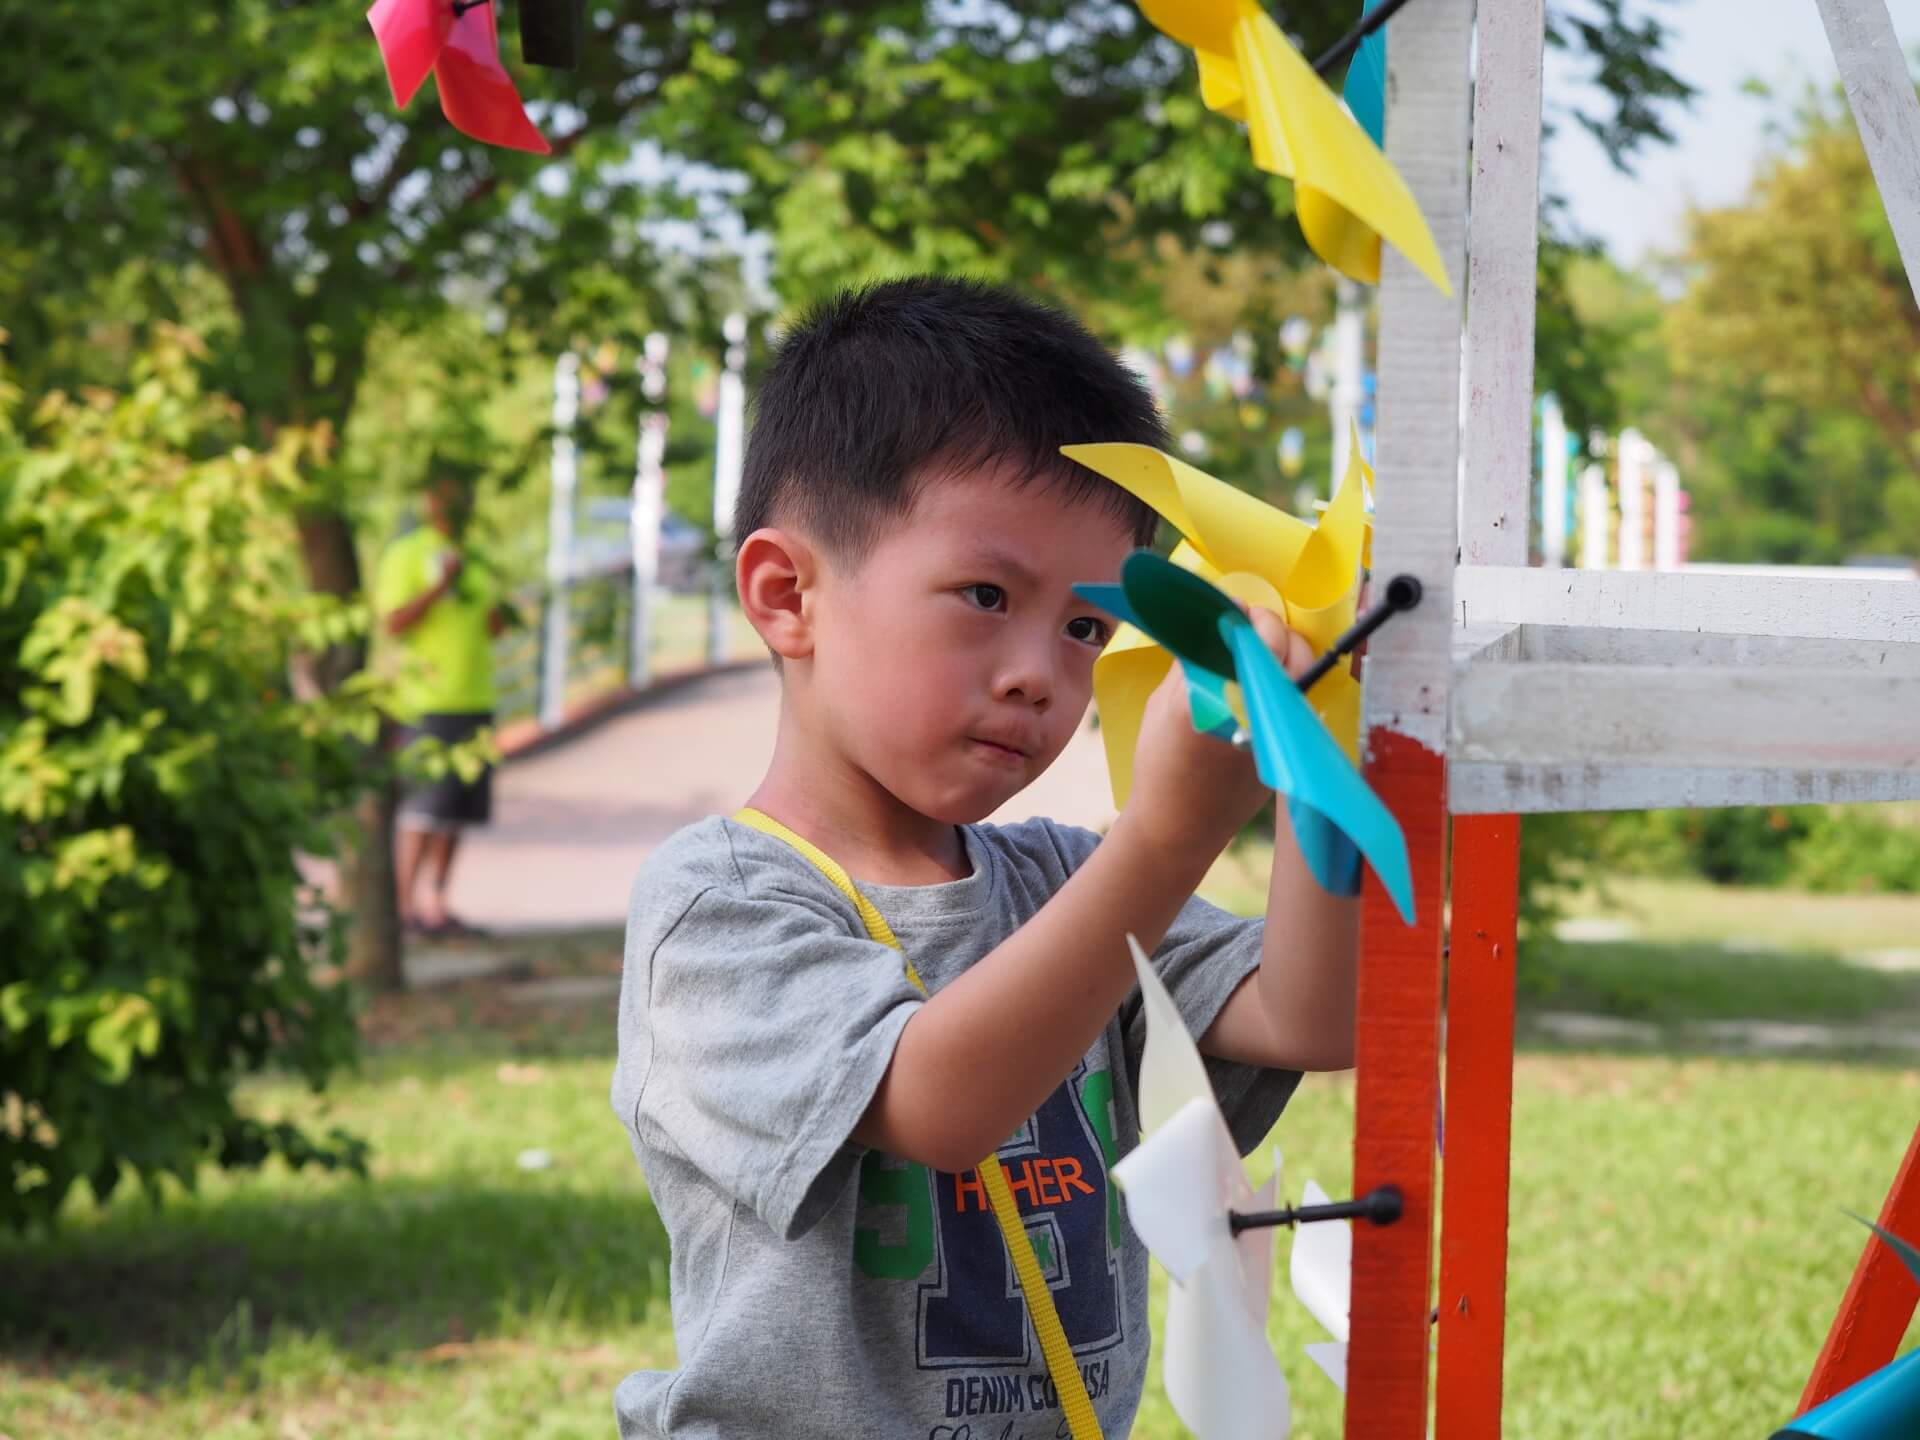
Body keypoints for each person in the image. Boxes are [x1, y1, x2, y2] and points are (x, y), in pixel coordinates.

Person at [609, 278, 1359, 1438]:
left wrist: (1326, 753)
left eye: (1085, 628)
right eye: (985, 595)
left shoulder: (1062, 879)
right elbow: (938, 1103)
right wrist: (1168, 836)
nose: (1039, 674)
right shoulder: (716, 907)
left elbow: (1316, 1015)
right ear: (786, 594)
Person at [374, 466, 508, 939]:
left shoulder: (477, 555)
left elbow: (492, 625)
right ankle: (402, 909)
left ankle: (436, 905)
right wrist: (438, 586)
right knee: (423, 809)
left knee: (458, 812)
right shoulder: (408, 553)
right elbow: (393, 622)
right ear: (429, 500)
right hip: (425, 700)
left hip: (475, 696)